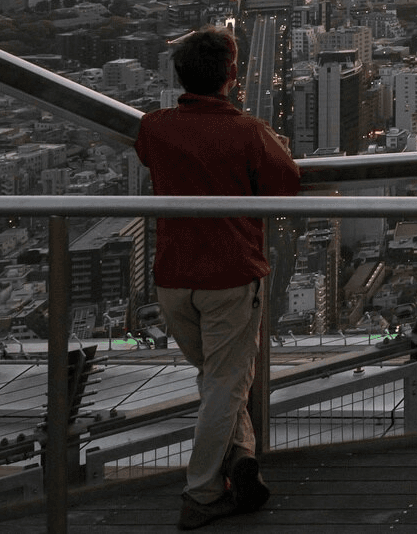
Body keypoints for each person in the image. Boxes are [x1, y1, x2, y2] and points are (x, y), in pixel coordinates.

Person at [135, 27, 301, 529]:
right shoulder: (247, 132)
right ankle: (203, 492)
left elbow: (150, 154)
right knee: (226, 385)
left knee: (218, 379)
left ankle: (242, 457)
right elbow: (287, 183)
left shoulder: (156, 127)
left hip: (172, 279)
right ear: (231, 76)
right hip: (230, 275)